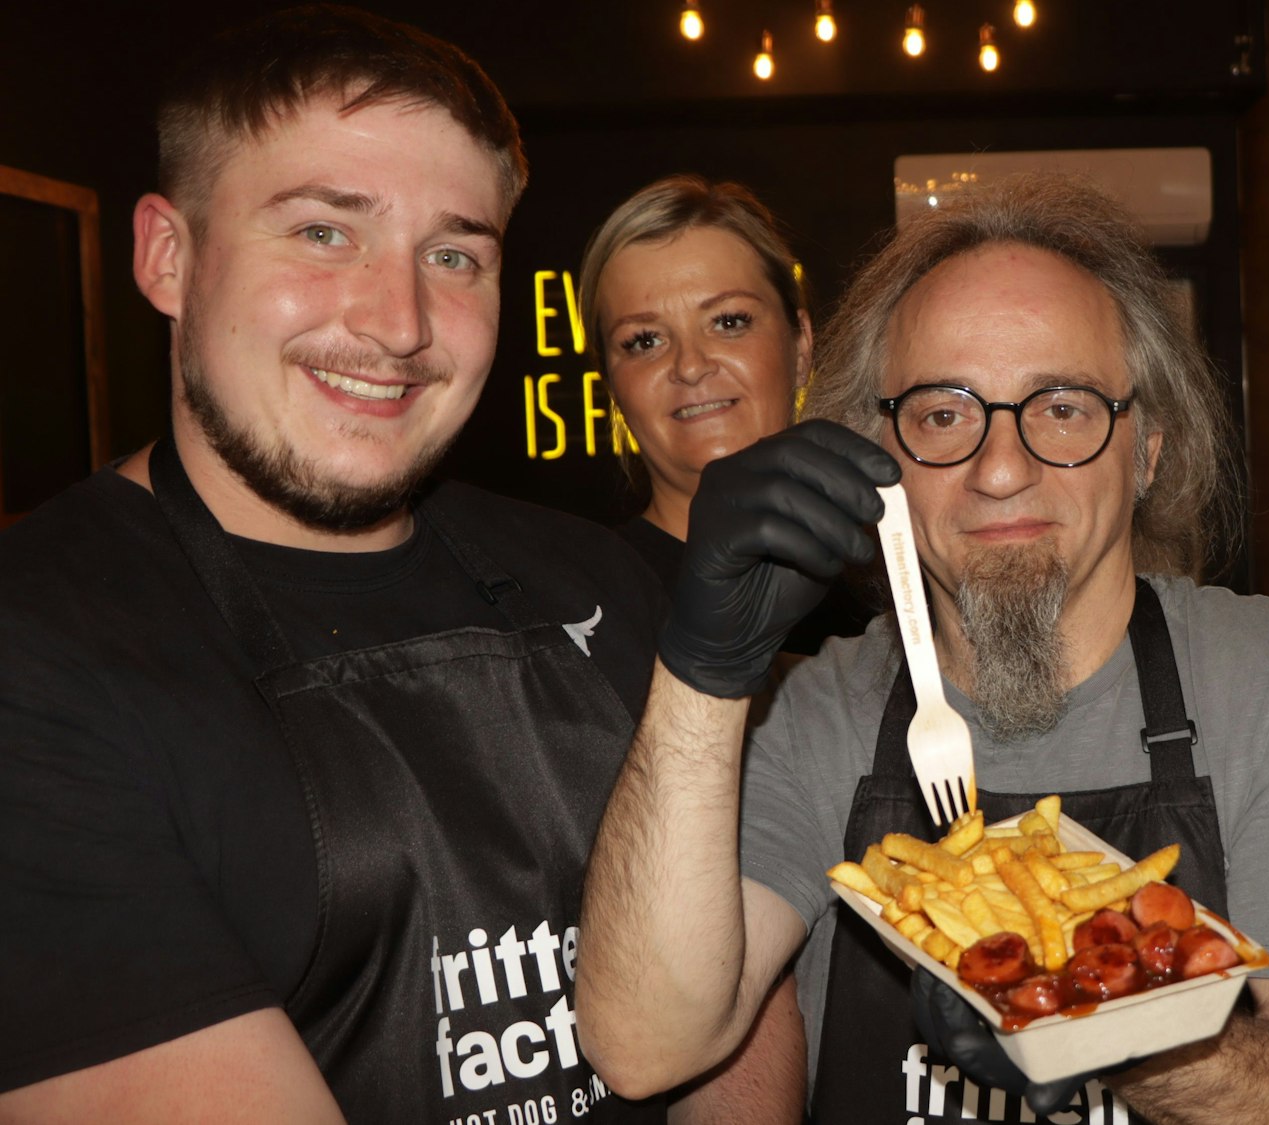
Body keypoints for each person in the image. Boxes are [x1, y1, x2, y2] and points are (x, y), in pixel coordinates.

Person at [0, 7, 790, 1121]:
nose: (401, 321)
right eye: (326, 232)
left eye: (454, 253)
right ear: (167, 257)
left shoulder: (598, 579)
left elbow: (738, 1003)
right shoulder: (36, 652)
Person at [574, 173, 1269, 1124]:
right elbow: (645, 1046)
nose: (1001, 468)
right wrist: (705, 667)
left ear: (1145, 447)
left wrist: (1100, 1023)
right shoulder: (820, 708)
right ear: (880, 457)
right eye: (944, 413)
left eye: (1060, 406)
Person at [577, 174, 869, 652]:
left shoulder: (898, 589)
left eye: (729, 321)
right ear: (611, 384)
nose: (689, 366)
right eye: (644, 341)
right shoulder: (578, 608)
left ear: (800, 347)